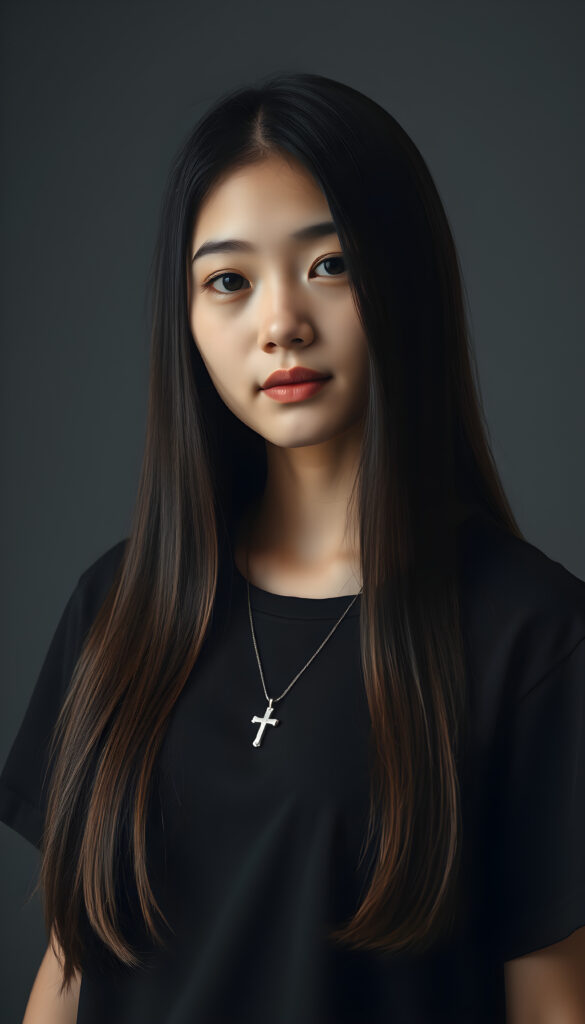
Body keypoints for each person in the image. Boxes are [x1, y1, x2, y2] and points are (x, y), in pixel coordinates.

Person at [1, 71, 584, 1024]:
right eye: (227, 281)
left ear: (407, 278)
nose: (279, 325)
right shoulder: (118, 605)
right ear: (184, 319)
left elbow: (552, 1002)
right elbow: (71, 970)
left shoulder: (535, 641)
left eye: (331, 264)